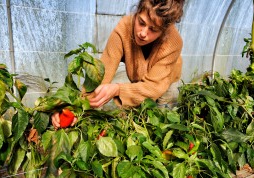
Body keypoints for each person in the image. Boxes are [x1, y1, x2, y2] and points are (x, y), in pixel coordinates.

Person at [52, 0, 185, 129]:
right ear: (137, 12)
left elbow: (154, 88)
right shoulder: (124, 29)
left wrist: (117, 89)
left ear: (164, 31)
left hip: (165, 84)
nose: (143, 33)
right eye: (141, 22)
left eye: (153, 29)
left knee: (161, 123)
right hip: (139, 83)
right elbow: (101, 74)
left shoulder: (173, 43)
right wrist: (73, 110)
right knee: (139, 121)